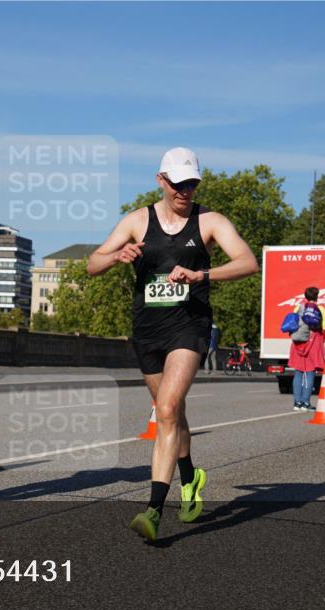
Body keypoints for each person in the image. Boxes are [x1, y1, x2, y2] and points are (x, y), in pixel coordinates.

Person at [86, 147, 258, 542]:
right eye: (178, 184)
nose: (186, 191)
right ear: (161, 181)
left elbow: (248, 262)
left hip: (189, 326)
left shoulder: (209, 221)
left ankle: (153, 510)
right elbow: (93, 264)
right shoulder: (136, 221)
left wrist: (202, 275)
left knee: (166, 408)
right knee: (172, 414)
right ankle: (190, 476)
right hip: (147, 330)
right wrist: (117, 256)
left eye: (192, 184)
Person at [287, 287, 325, 411]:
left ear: (305, 296)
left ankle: (296, 402)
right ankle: (306, 403)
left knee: (298, 372)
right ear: (317, 296)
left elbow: (292, 324)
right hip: (313, 342)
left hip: (298, 343)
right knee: (310, 372)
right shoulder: (320, 309)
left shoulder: (298, 307)